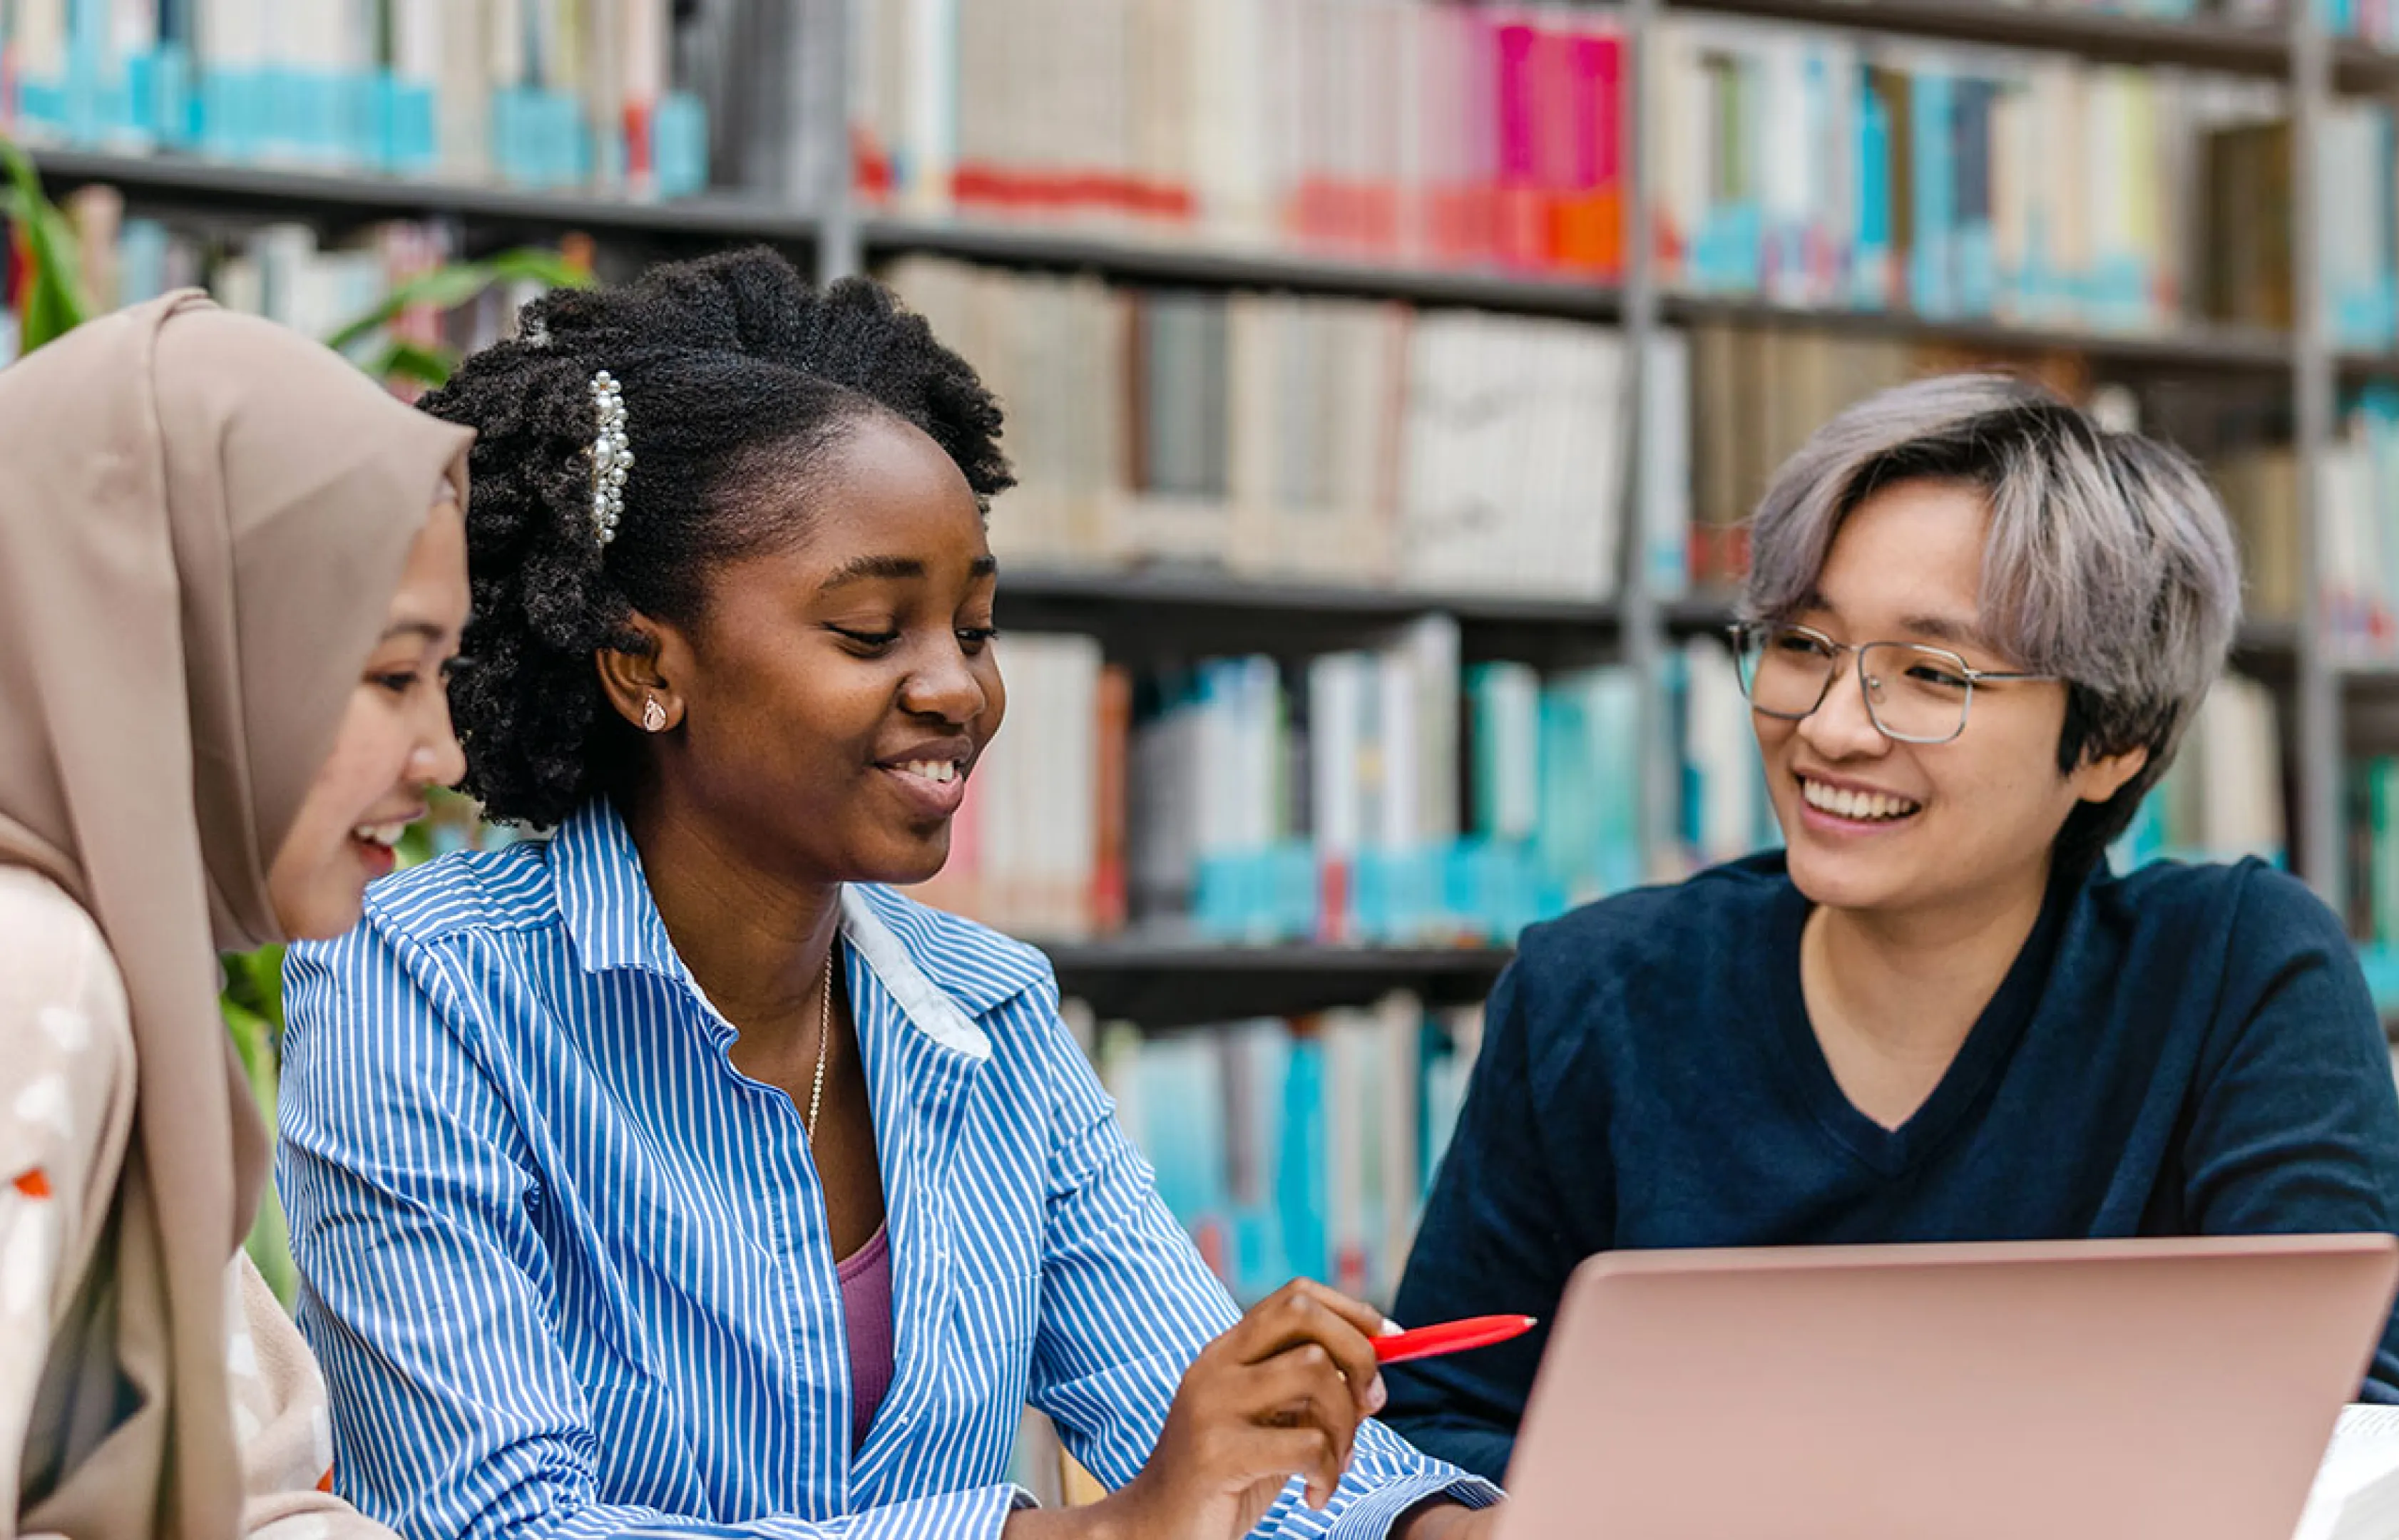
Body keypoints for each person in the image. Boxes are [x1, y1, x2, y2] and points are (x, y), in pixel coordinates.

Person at [275, 249, 1499, 1540]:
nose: (957, 691)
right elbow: (495, 1525)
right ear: (644, 665)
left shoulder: (990, 1012)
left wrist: (1438, 1526)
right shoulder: (416, 983)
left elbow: (1200, 1433)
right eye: (871, 634)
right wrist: (1083, 1535)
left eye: (974, 629)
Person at [1381, 374, 2399, 1482]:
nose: (1832, 729)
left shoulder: (2235, 968)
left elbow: (2365, 1411)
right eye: (1802, 645)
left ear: (2110, 743)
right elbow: (1436, 1422)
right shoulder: (1591, 990)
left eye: (1930, 674)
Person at [0, 292, 475, 1538]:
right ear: (182, 647)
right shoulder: (37, 975)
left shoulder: (115, 971)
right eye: (388, 674)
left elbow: (251, 1490)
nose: (440, 752)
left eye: (444, 677)